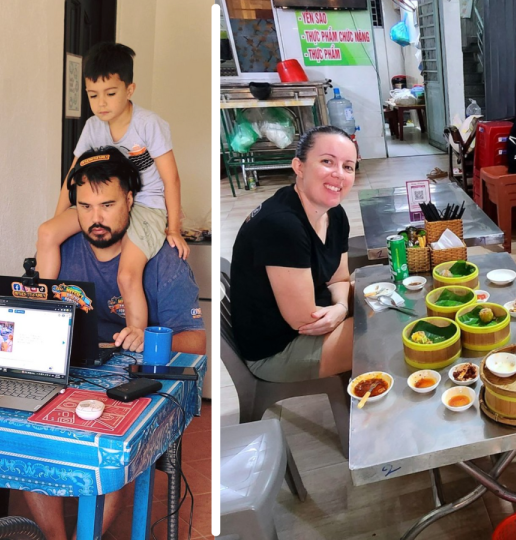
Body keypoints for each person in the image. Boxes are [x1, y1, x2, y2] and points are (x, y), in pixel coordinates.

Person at [23, 146, 205, 540]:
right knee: (28, 439)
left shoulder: (163, 259)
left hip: (130, 384)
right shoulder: (61, 248)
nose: (96, 218)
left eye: (107, 204)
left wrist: (150, 339)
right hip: (71, 373)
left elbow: (197, 343)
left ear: (130, 200)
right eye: (85, 207)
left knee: (110, 453)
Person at [36, 42, 189, 353]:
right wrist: (60, 217)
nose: (101, 103)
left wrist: (174, 228)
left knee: (127, 274)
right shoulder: (93, 127)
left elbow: (171, 178)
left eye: (110, 93)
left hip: (146, 206)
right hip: (107, 203)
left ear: (129, 89)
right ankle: (44, 305)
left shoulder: (149, 124)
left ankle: (135, 335)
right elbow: (72, 177)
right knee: (46, 232)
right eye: (93, 95)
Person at [229, 125, 357, 382]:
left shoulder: (335, 213)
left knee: (389, 303)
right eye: (327, 161)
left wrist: (341, 306)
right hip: (278, 349)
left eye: (348, 166)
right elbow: (305, 321)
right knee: (388, 335)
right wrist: (341, 310)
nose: (339, 174)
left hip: (314, 317)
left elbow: (339, 279)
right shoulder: (282, 225)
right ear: (299, 166)